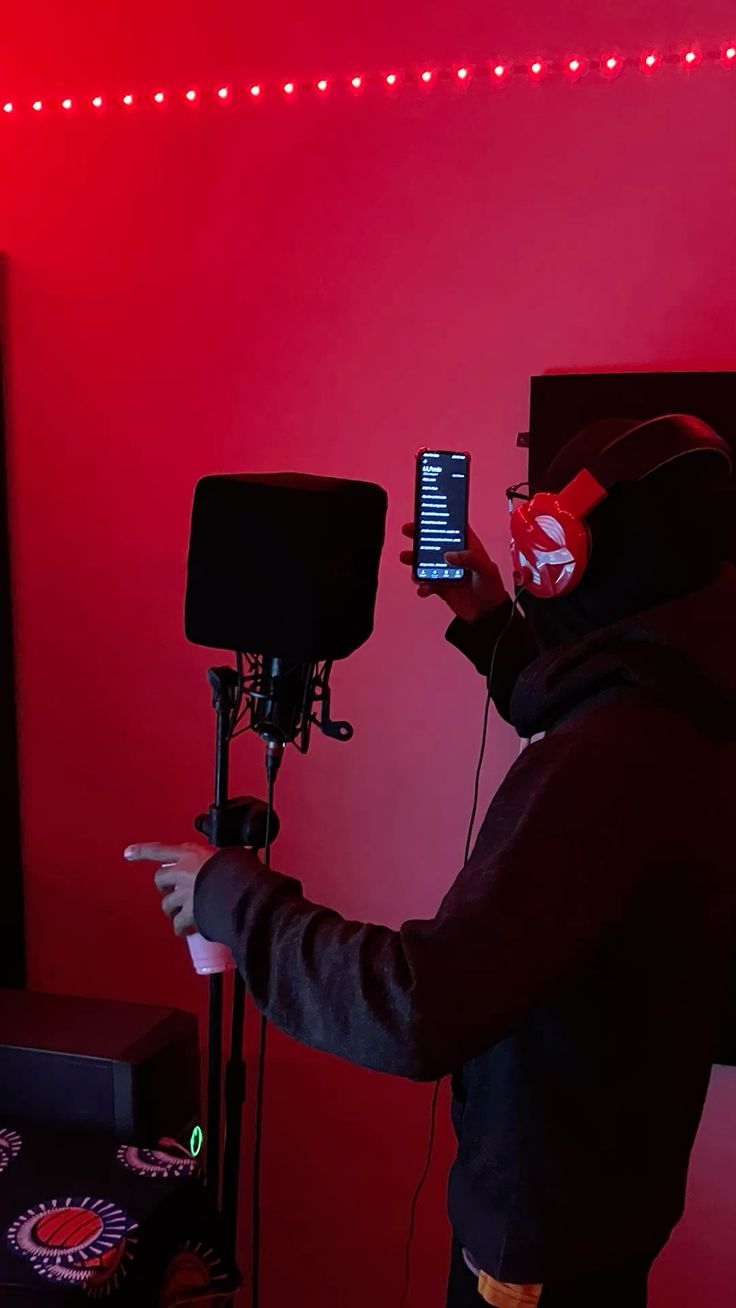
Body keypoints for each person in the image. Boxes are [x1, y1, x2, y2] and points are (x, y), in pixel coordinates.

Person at [126, 415, 736, 1308]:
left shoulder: (607, 761)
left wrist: (232, 899)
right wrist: (490, 622)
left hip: (539, 1244)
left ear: (574, 556)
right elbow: (594, 710)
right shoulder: (689, 688)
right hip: (605, 1192)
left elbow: (420, 1008)